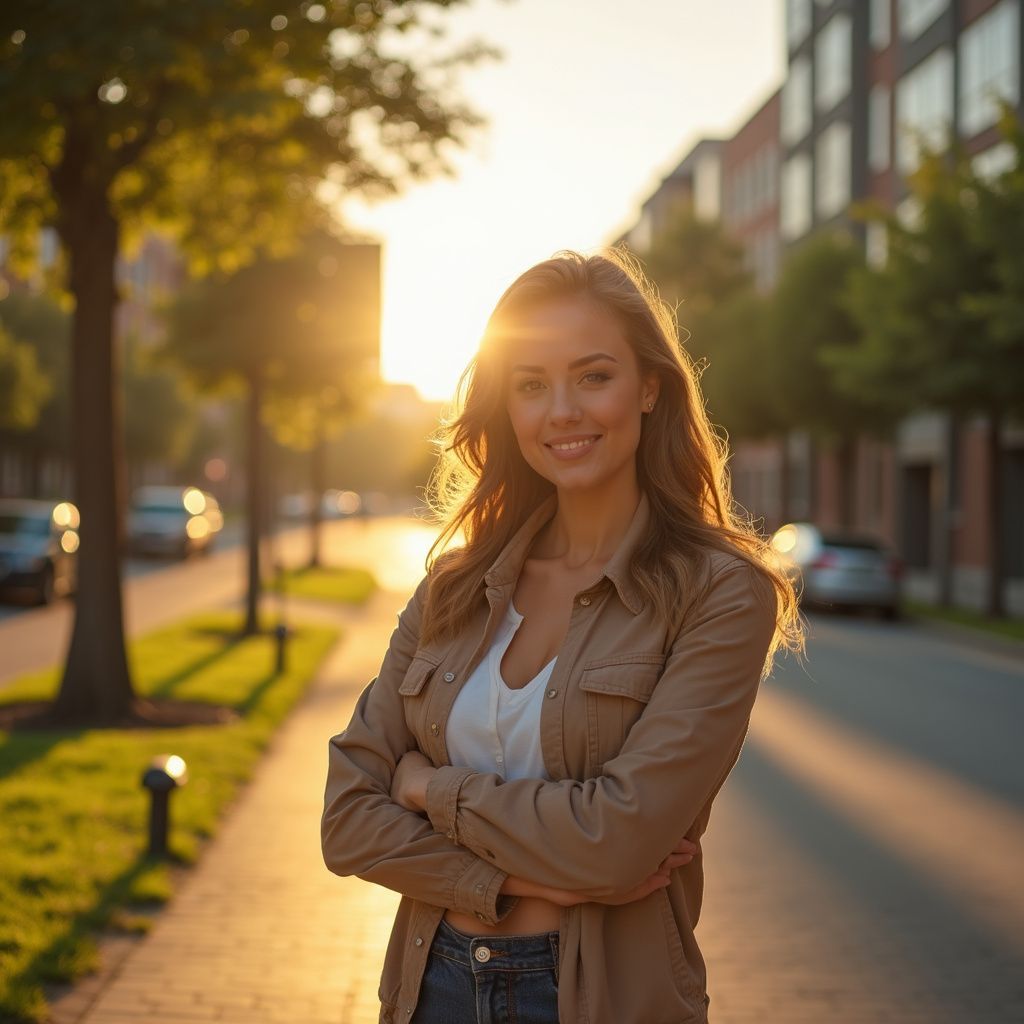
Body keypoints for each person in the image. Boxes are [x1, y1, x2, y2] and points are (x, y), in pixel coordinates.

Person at [321, 248, 805, 1024]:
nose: (562, 412)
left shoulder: (720, 594)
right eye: (531, 386)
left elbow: (615, 846)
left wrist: (422, 788)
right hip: (430, 986)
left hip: (599, 996)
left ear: (650, 387)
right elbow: (346, 821)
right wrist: (521, 880)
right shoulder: (453, 588)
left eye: (594, 376)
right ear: (507, 409)